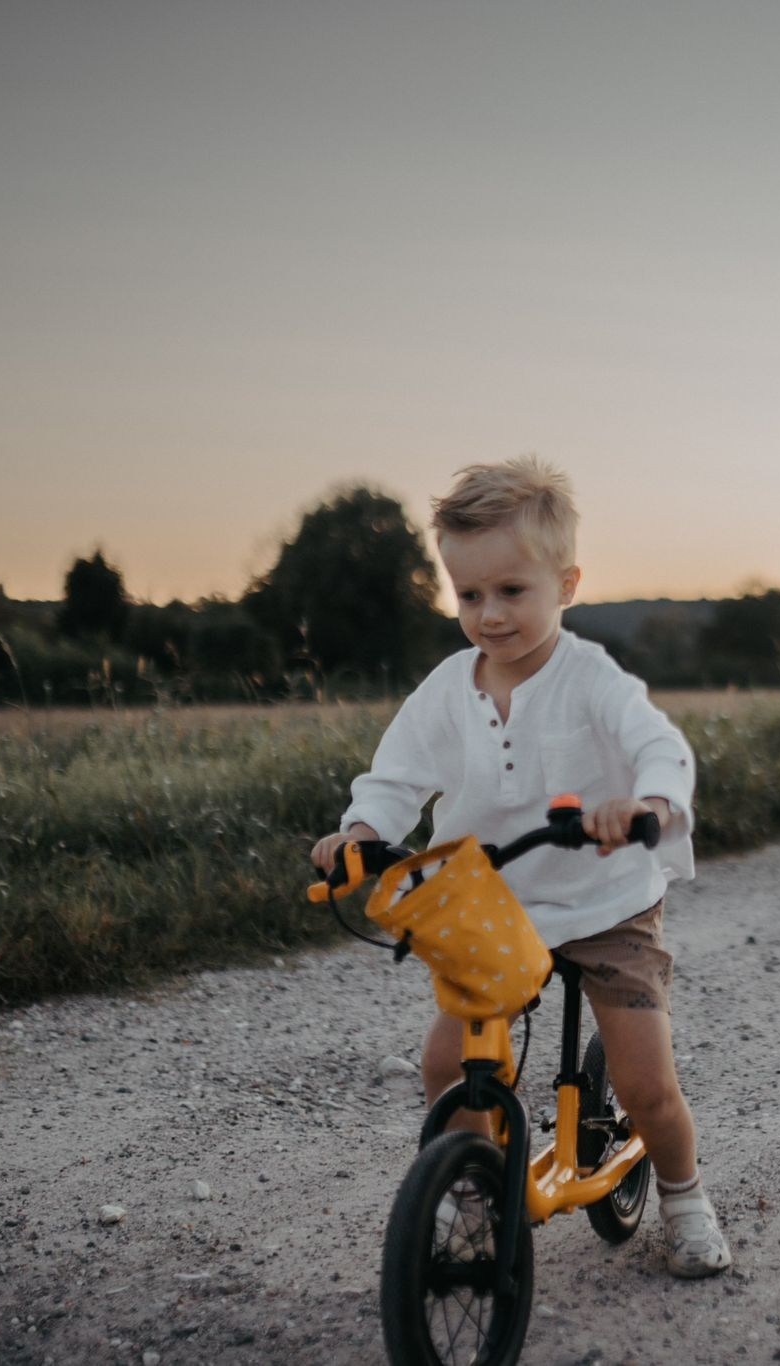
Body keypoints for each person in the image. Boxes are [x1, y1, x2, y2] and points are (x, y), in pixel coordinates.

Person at [310, 456, 731, 1278]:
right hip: (495, 909)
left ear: (566, 586)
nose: (490, 614)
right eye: (469, 595)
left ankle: (684, 1198)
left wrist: (643, 803)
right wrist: (360, 831)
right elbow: (395, 778)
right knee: (447, 1065)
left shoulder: (591, 678)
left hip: (607, 901)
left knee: (645, 1085)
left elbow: (659, 746)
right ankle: (475, 1194)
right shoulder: (447, 689)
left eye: (511, 591)